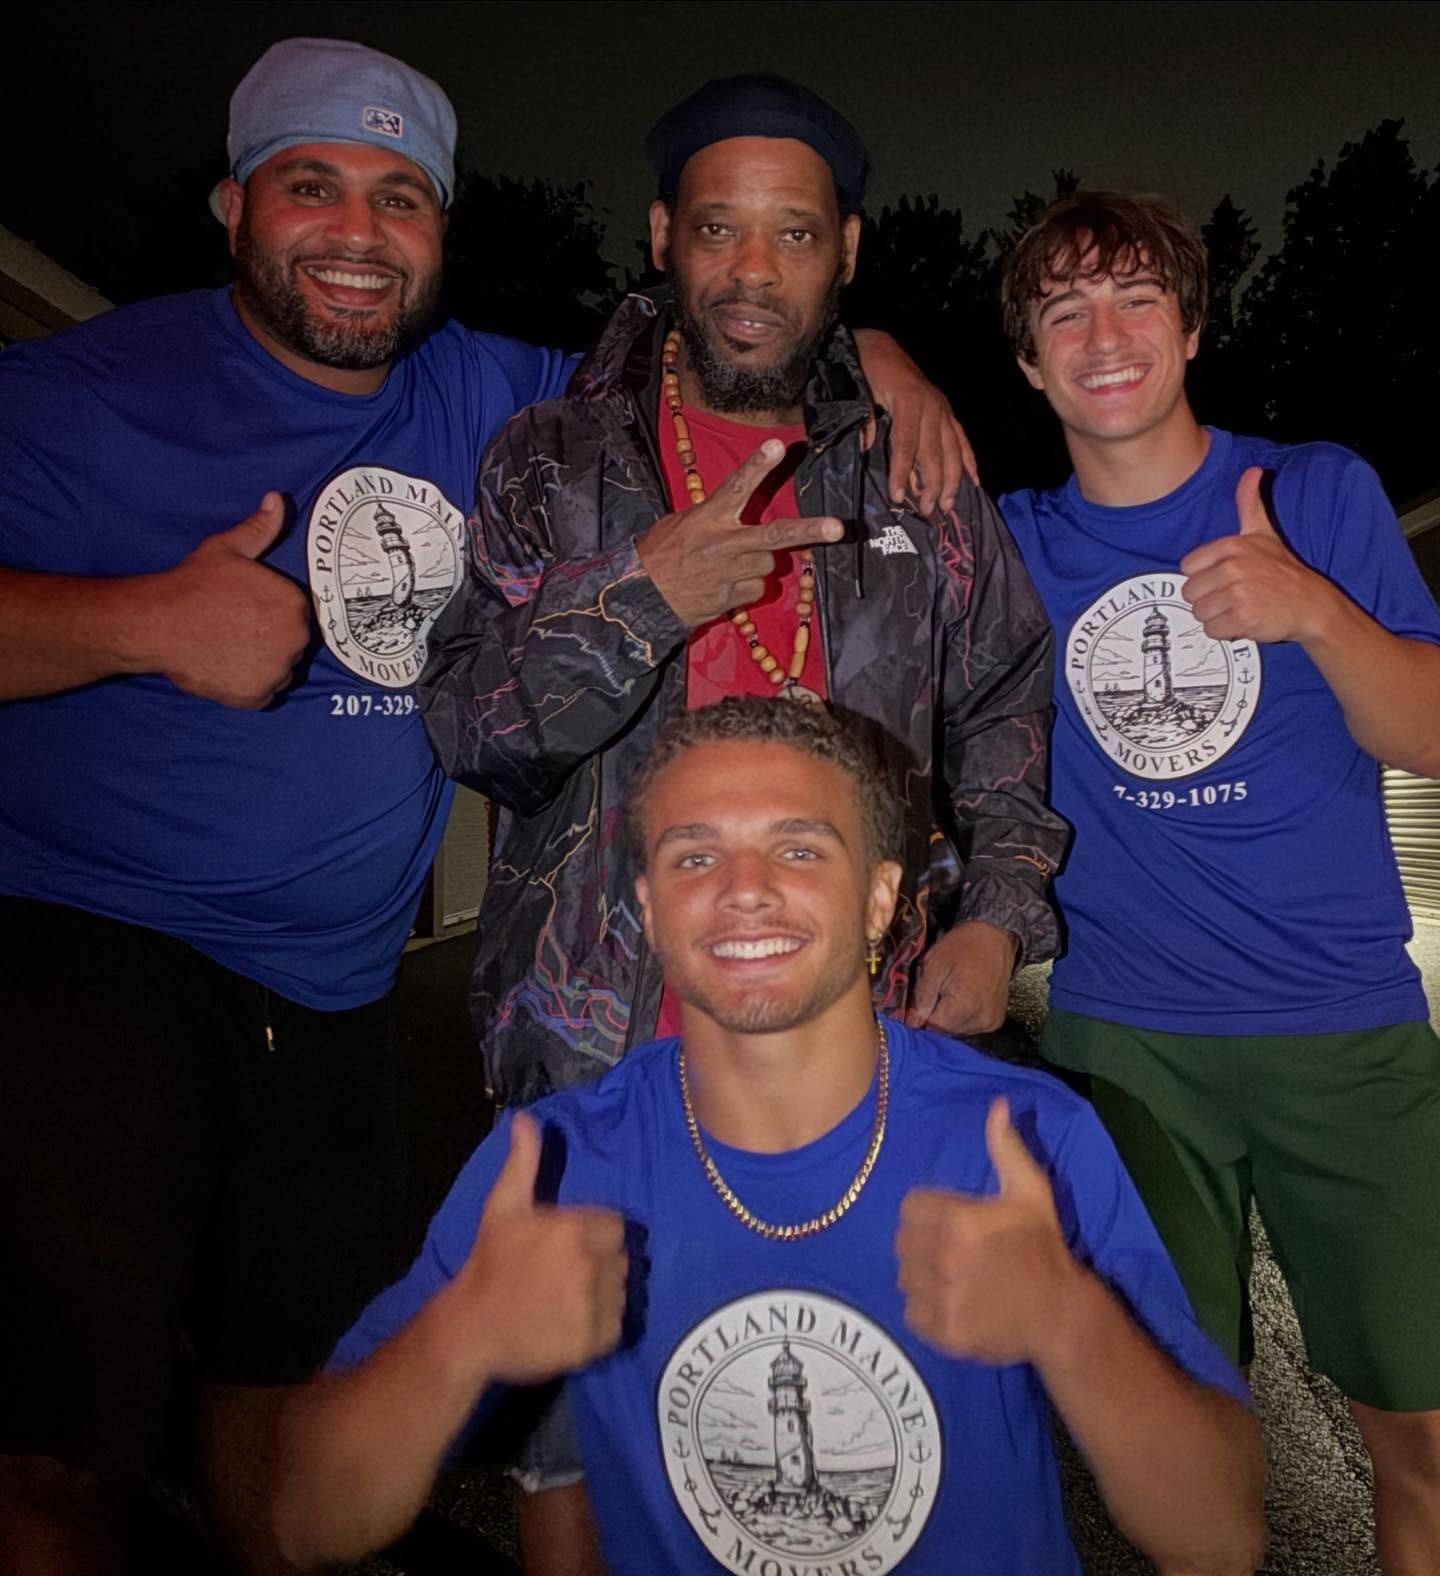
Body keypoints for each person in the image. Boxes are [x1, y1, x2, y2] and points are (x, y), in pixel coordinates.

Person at [0, 38, 964, 1576]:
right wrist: (134, 623)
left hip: (328, 996)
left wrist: (886, 360)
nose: (360, 235)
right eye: (314, 187)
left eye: (402, 199)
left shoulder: (505, 401)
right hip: (93, 952)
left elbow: (737, 334)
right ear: (234, 203)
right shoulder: (70, 391)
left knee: (287, 1385)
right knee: (63, 1435)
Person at [274, 696, 1266, 1575]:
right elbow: (308, 1517)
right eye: (695, 853)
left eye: (799, 847)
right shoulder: (562, 1159)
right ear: (651, 907)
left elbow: (1217, 1535)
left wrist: (1070, 1321)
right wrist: (462, 1335)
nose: (745, 887)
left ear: (881, 896)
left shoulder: (1022, 1139)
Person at [420, 73, 1066, 1108]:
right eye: (719, 227)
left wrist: (996, 915)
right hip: (597, 1060)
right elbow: (466, 729)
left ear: (847, 253)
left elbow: (1004, 701)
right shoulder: (550, 460)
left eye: (796, 237)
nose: (753, 272)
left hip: (857, 1045)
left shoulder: (912, 470)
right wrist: (640, 598)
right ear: (664, 233)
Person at [999, 190, 1440, 1573]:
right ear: (1028, 362)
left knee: (1419, 1432)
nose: (1105, 336)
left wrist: (1311, 608)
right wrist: (885, 358)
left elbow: (1426, 727)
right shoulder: (1008, 546)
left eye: (1137, 299)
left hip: (1344, 1026)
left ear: (1193, 327)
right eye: (1064, 312)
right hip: (1129, 1045)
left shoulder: (1313, 492)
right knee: (1177, 1450)